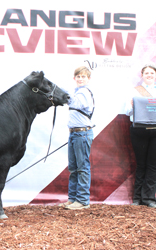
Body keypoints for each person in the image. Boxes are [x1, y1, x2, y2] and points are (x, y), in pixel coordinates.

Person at [125, 63, 156, 209]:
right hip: (139, 130)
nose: (149, 75)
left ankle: (149, 199)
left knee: (153, 166)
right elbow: (128, 112)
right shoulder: (134, 91)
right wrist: (132, 105)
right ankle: (137, 198)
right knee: (141, 164)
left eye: (151, 73)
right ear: (142, 75)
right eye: (146, 73)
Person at [58, 66, 95, 210]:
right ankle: (72, 198)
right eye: (78, 76)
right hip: (75, 133)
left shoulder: (85, 92)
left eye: (83, 76)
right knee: (74, 168)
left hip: (82, 133)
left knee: (82, 167)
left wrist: (65, 96)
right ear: (74, 78)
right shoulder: (76, 91)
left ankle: (82, 200)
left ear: (88, 79)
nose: (80, 79)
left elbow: (81, 105)